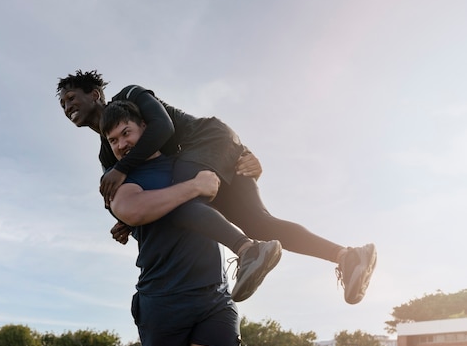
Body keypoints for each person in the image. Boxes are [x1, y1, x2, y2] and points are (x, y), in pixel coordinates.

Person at [57, 70, 377, 305]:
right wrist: (126, 219)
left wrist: (236, 147)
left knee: (181, 195)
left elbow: (165, 127)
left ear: (95, 95)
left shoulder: (130, 95)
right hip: (212, 158)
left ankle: (247, 250)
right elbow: (127, 192)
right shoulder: (107, 152)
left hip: (208, 140)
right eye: (62, 105)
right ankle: (346, 256)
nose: (67, 107)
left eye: (71, 98)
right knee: (260, 223)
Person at [101, 100, 240, 346]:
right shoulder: (118, 180)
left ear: (146, 129)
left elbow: (230, 172)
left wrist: (248, 161)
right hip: (162, 301)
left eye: (127, 133)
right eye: (113, 140)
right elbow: (134, 209)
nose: (122, 144)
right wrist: (194, 187)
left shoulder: (187, 160)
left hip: (212, 297)